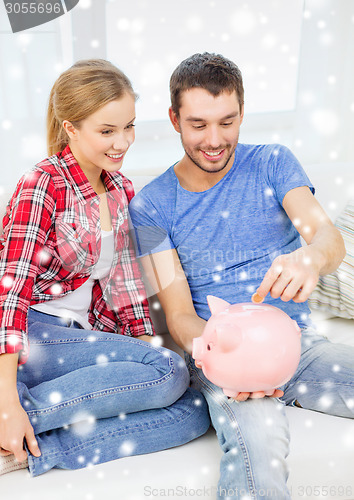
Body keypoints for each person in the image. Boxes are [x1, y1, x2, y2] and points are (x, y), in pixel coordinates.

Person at [129, 52, 354, 499]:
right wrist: (236, 361)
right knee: (261, 442)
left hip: (299, 347)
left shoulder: (273, 162)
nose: (214, 139)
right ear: (174, 119)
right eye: (198, 125)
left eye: (227, 122)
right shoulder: (150, 207)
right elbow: (179, 319)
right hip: (224, 357)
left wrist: (309, 259)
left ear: (243, 112)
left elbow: (329, 240)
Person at [0, 59, 210, 477]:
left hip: (75, 339)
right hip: (32, 334)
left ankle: (31, 450)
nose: (122, 142)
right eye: (107, 131)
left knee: (194, 406)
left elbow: (125, 286)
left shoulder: (120, 189)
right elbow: (11, 292)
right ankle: (19, 415)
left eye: (128, 126)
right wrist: (5, 397)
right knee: (169, 370)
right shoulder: (42, 184)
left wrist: (143, 350)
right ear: (70, 128)